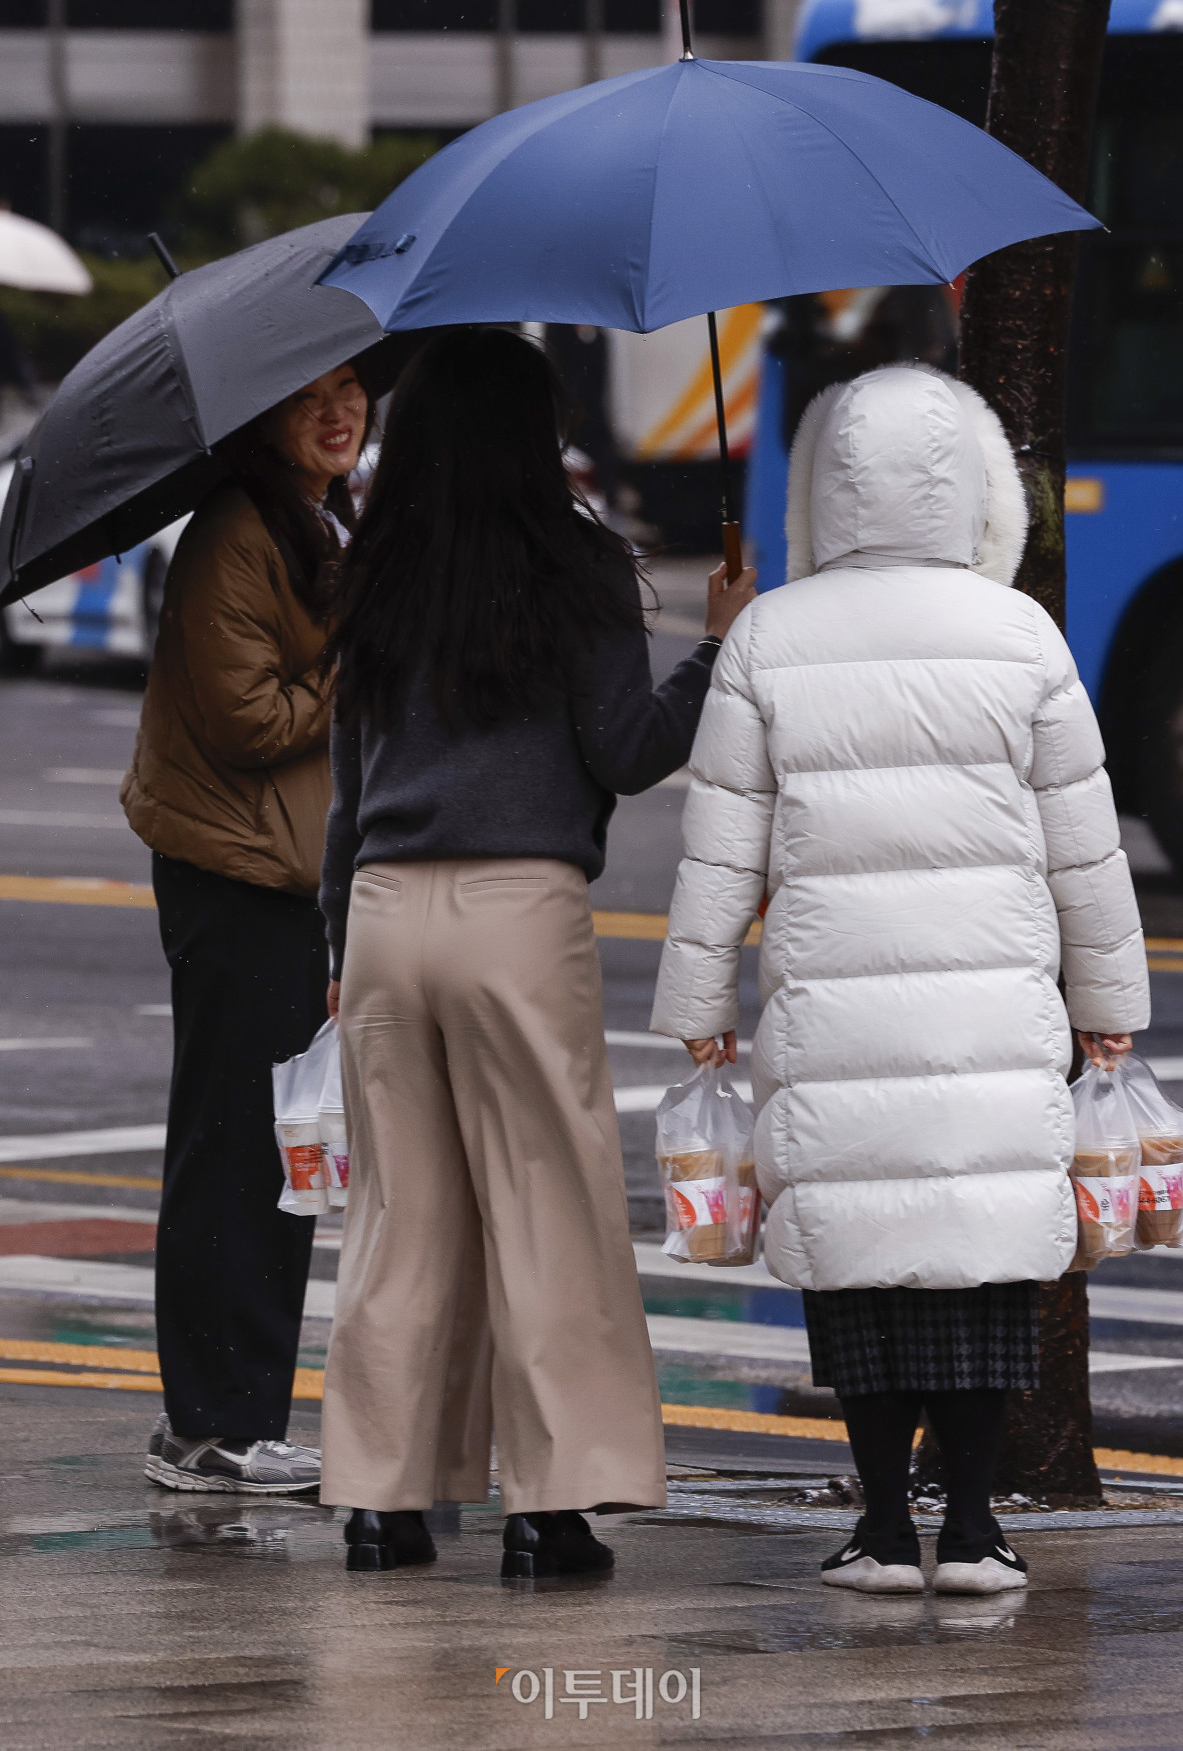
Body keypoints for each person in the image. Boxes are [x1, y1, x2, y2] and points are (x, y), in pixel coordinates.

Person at [651, 363, 1150, 1597]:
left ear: (825, 491)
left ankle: (880, 1529)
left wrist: (700, 1006)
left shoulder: (771, 633)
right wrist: (1111, 1007)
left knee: (860, 1270)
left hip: (836, 1005)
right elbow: (1085, 842)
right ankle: (974, 1529)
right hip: (992, 1004)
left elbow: (721, 842)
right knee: (982, 1266)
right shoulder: (1020, 631)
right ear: (974, 493)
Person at [318, 326, 756, 1577]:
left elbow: (348, 788)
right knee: (547, 1208)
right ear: (532, 436)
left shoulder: (378, 571)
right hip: (521, 912)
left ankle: (384, 1501)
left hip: (388, 914)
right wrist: (720, 645)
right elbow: (625, 748)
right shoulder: (577, 562)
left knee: (401, 1218)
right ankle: (550, 1510)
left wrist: (335, 938)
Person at [122, 361, 371, 1492]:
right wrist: (354, 666)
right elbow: (248, 718)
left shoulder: (313, 520)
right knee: (236, 1149)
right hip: (236, 875)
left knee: (273, 1148)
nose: (339, 410)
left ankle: (237, 1414)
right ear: (259, 413)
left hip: (283, 876)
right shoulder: (237, 530)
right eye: (308, 393)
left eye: (354, 388)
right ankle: (211, 1425)